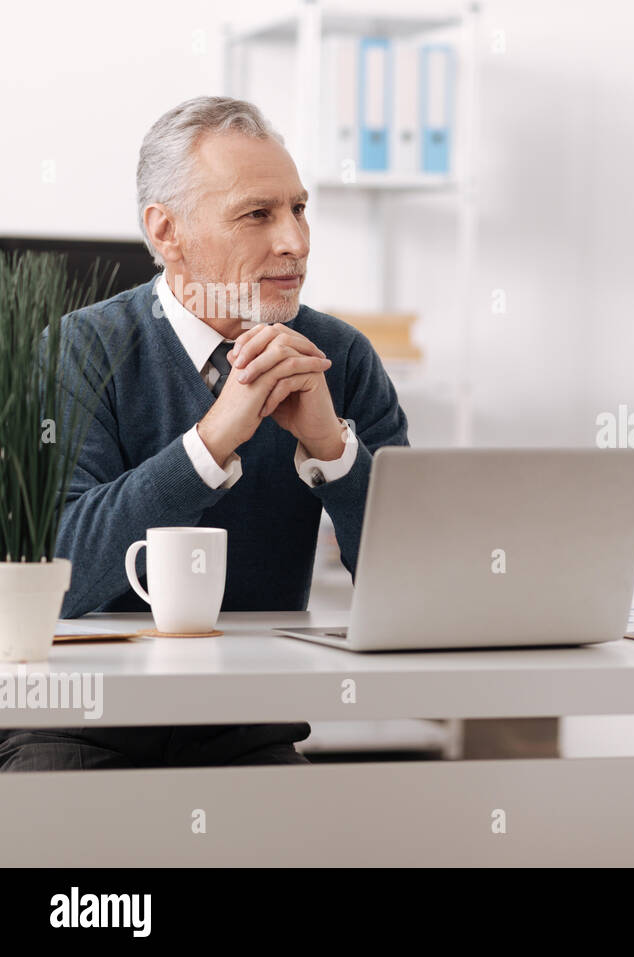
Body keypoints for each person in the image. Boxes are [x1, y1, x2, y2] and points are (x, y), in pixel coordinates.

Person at [0, 96, 410, 771]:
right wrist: (210, 441)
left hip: (246, 735)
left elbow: (412, 586)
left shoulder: (340, 356)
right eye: (258, 214)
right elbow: (58, 574)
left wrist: (335, 452)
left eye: (299, 209)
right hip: (74, 728)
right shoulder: (81, 350)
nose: (295, 242)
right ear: (166, 233)